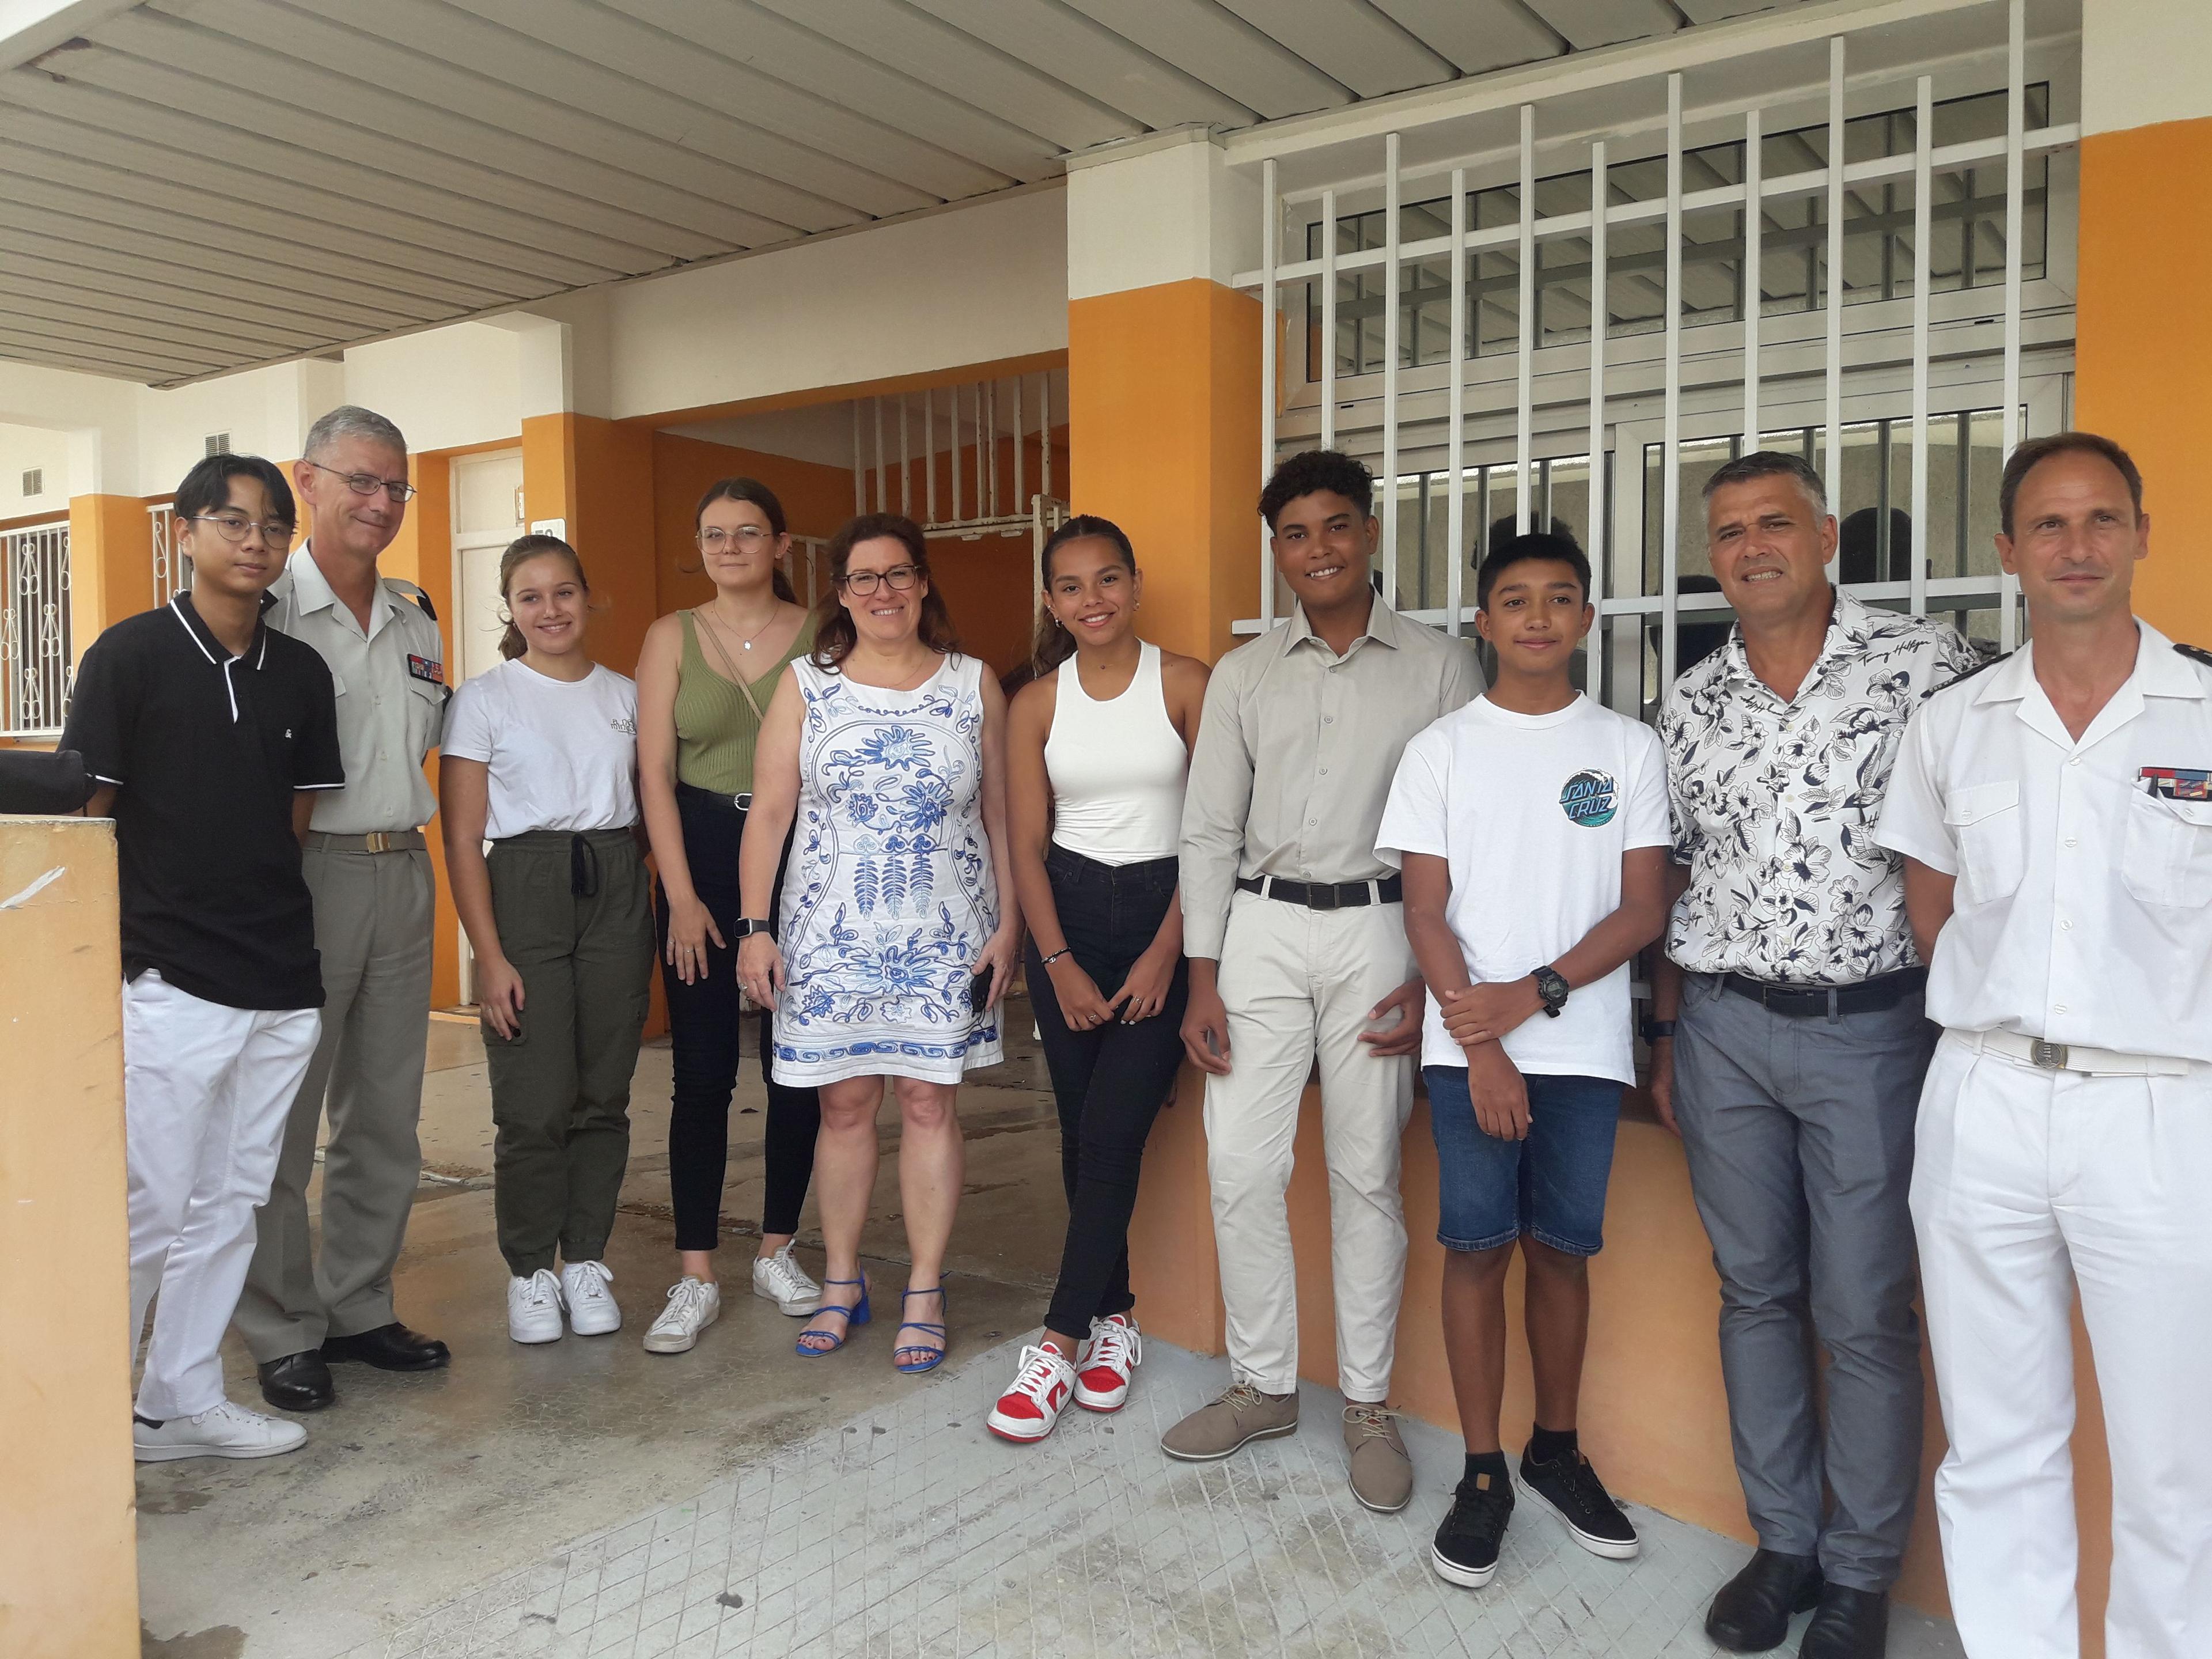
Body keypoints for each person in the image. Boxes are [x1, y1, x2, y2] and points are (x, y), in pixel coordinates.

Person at [1877, 433, 2212, 1659]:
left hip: (2166, 1112)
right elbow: (1932, 907)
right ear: (2010, 550)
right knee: (2000, 1441)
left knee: (2179, 1462)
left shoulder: (2206, 707)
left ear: (2140, 533)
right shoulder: (1956, 723)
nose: (2080, 547)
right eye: (2052, 526)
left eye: (2103, 520)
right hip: (1987, 1099)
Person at [1650, 450, 1978, 1659]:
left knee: (1865, 1314)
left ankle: (1858, 1575)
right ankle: (1783, 1544)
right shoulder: (1690, 701)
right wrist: (1670, 1033)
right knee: (1756, 1296)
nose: (1752, 547)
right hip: (1728, 1029)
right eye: (1729, 531)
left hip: (1874, 1032)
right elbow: (1678, 874)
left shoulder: (1926, 669)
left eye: (1774, 523)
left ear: (1827, 536)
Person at [1170, 449, 1483, 1514]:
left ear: (1371, 534)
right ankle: (1262, 1384)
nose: (1319, 549)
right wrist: (1203, 979)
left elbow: (1465, 840)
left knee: (1366, 1177)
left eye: (1337, 526)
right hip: (1257, 930)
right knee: (1242, 1168)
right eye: (1297, 533)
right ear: (1277, 551)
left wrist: (1436, 981)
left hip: (1383, 936)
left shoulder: (1441, 668)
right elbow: (1208, 829)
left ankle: (1366, 1404)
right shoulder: (1245, 673)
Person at [1378, 532, 1671, 1586]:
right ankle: (1485, 1471)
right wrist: (1485, 1041)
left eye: (1559, 598)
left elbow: (1643, 908)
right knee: (1476, 1250)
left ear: (1588, 617)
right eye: (1515, 600)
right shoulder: (1442, 750)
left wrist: (1537, 996)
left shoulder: (1629, 750)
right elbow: (1423, 910)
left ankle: (1557, 1449)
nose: (1538, 617)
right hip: (1469, 1054)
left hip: (1583, 1050)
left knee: (1560, 1251)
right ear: (1484, 624)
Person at [65, 454, 342, 1460]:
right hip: (170, 979)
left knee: (234, 1202)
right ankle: (83, 1422)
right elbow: (88, 818)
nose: (256, 542)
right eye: (233, 522)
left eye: (273, 526)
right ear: (185, 531)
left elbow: (294, 822)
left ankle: (171, 1403)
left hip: (280, 979)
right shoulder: (129, 656)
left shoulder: (302, 672)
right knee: (150, 1205)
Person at [737, 514, 1019, 1373]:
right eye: (864, 579)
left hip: (946, 931)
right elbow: (773, 813)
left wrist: (1010, 923)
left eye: (898, 575)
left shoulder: (974, 685)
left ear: (924, 583)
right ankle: (843, 1278)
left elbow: (1001, 812)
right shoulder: (806, 686)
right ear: (841, 593)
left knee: (931, 1104)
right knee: (843, 1107)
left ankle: (926, 1287)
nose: (883, 592)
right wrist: (756, 928)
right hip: (829, 934)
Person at [241, 405, 450, 1412]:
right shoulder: (263, 606)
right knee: (280, 1116)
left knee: (385, 1115)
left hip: (402, 871)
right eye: (359, 481)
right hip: (301, 878)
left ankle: (359, 1304)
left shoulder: (418, 616)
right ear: (307, 480)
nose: (379, 502)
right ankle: (282, 1325)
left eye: (394, 487)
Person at [985, 517, 1208, 1442]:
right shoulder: (1036, 702)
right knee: (1082, 1136)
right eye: (1071, 586)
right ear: (1051, 602)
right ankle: (1116, 1319)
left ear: (1136, 583)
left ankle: (1058, 1343)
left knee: (1114, 1132)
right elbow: (1026, 848)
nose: (1092, 600)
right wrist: (1060, 966)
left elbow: (1214, 834)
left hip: (1166, 912)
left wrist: (1168, 952)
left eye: (1108, 579)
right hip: (1066, 919)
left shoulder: (1189, 683)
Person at [440, 536, 655, 1343]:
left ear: (588, 597)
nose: (551, 610)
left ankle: (587, 1259)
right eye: (531, 597)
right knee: (533, 1100)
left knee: (603, 1090)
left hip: (614, 882)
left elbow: (648, 805)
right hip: (523, 887)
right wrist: (488, 957)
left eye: (564, 592)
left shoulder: (628, 695)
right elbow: (463, 839)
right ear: (510, 609)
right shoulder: (485, 699)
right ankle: (531, 1269)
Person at [634, 479, 824, 1356]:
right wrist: (679, 895)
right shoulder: (670, 636)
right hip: (701, 857)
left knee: (796, 1066)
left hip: (804, 857)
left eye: (749, 533)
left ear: (781, 545)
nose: (731, 547)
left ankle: (778, 1249)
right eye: (714, 534)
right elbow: (654, 776)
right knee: (702, 1075)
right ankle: (697, 1271)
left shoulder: (827, 634)